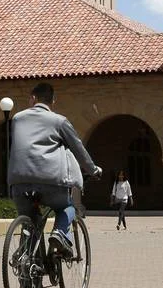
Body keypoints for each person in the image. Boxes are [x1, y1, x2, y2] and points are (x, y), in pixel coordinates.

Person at [7, 82, 101, 258]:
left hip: (18, 183)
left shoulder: (17, 118)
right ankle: (59, 234)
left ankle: (26, 263)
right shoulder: (59, 121)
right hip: (51, 183)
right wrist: (93, 169)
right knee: (68, 207)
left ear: (33, 99)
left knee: (31, 222)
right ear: (53, 101)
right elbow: (78, 148)